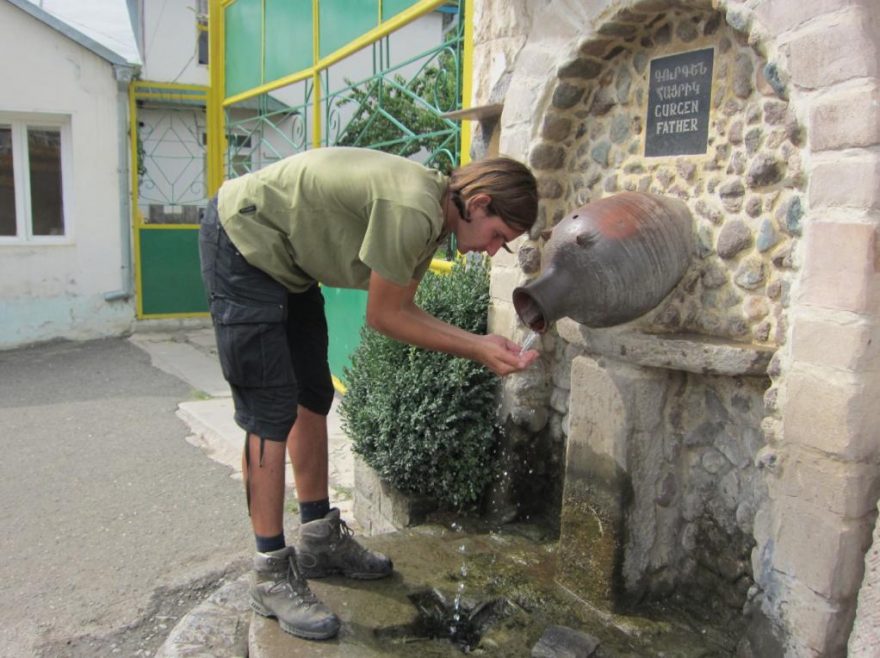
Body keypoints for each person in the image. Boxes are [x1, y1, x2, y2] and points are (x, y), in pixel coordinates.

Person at [198, 146, 540, 641]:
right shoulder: (413, 208)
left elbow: (403, 308)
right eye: (498, 237)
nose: (491, 250)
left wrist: (481, 344)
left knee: (312, 395)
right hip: (243, 242)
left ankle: (318, 538)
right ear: (480, 203)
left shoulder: (434, 218)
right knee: (267, 413)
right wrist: (478, 348)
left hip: (288, 264)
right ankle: (270, 572)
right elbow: (384, 317)